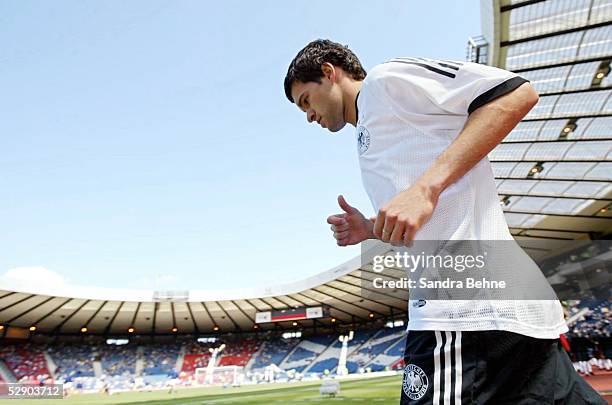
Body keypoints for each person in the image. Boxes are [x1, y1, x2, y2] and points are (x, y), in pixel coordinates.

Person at [283, 39, 605, 404]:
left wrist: (425, 188)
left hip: (464, 312)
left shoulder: (384, 83)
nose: (308, 115)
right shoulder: (368, 132)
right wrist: (371, 228)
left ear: (329, 72)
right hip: (504, 310)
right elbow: (433, 215)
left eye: (306, 101)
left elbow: (517, 92)